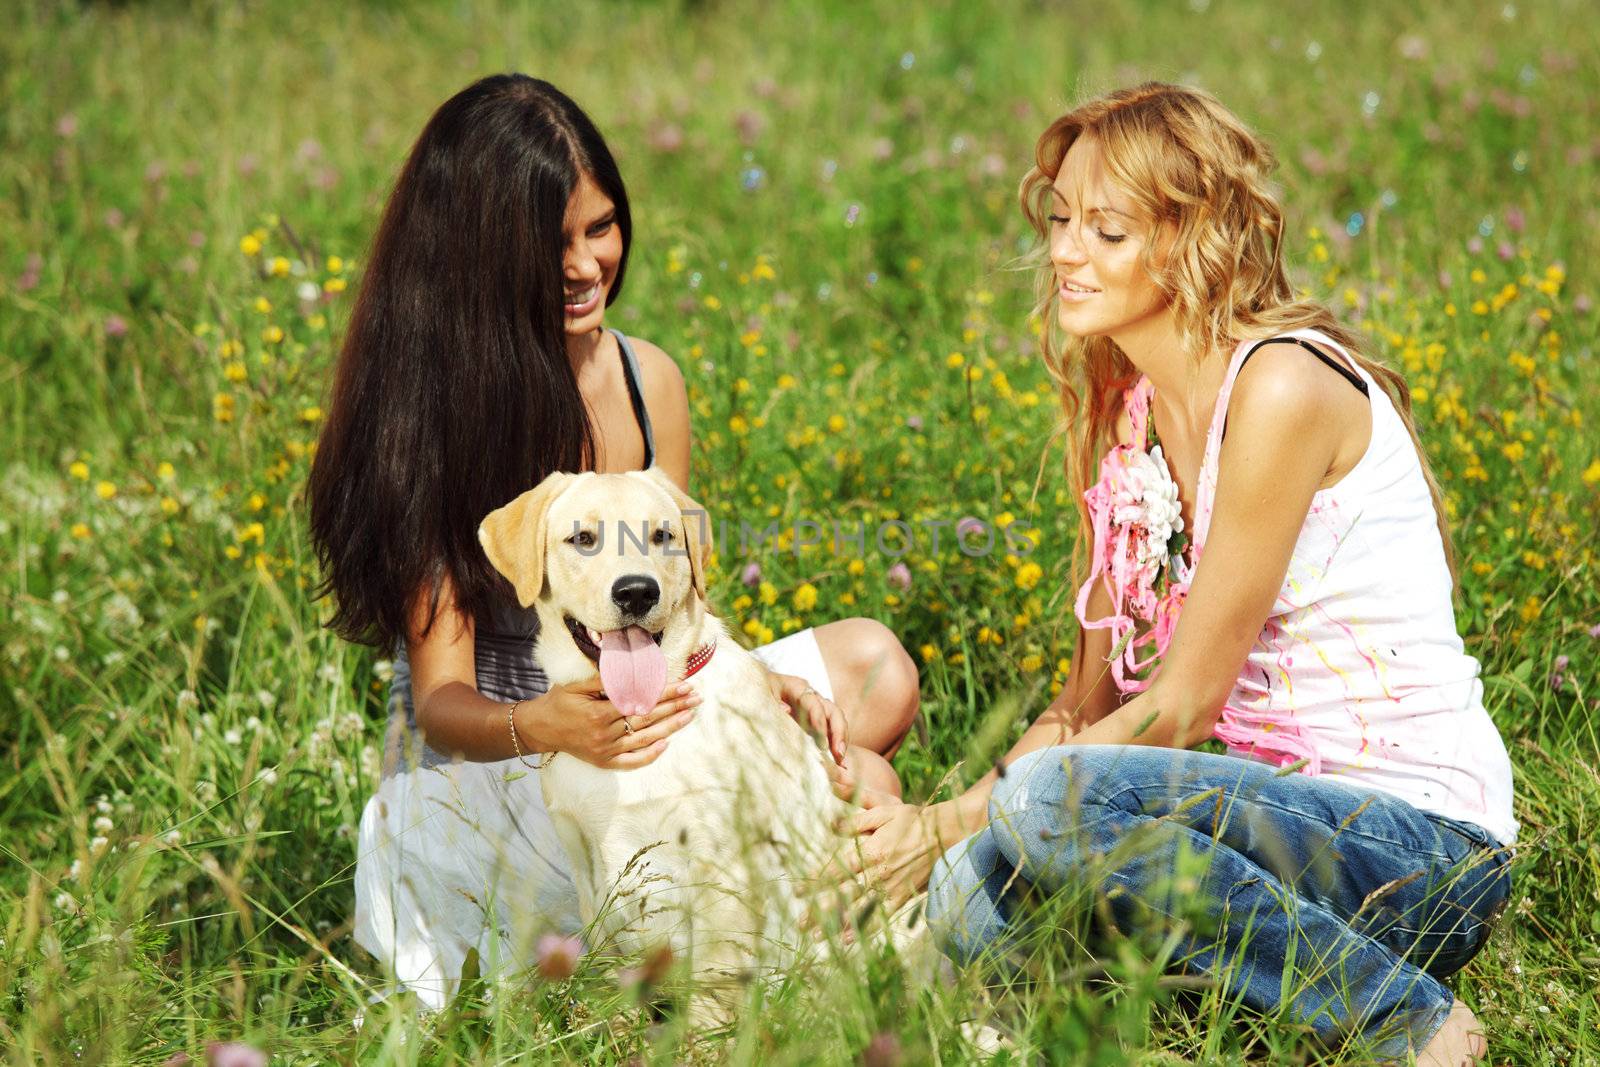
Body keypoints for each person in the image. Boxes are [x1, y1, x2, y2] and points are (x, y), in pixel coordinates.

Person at [841, 83, 1515, 1066]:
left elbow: (1183, 706)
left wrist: (948, 815)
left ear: (1191, 238)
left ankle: (1412, 1023)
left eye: (1105, 230)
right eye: (1062, 219)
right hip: (1237, 831)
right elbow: (1082, 710)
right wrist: (929, 843)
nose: (1065, 251)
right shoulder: (1124, 414)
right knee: (947, 923)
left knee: (1038, 807)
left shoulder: (1282, 383)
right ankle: (1225, 998)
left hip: (1411, 848)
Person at [305, 73, 918, 1009]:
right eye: (551, 244)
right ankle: (752, 962)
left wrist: (754, 678)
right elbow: (441, 705)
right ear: (477, 254)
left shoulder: (647, 380)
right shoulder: (435, 417)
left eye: (601, 228)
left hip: (650, 701)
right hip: (510, 753)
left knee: (875, 676)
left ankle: (791, 958)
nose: (587, 264)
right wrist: (548, 725)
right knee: (861, 789)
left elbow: (677, 599)